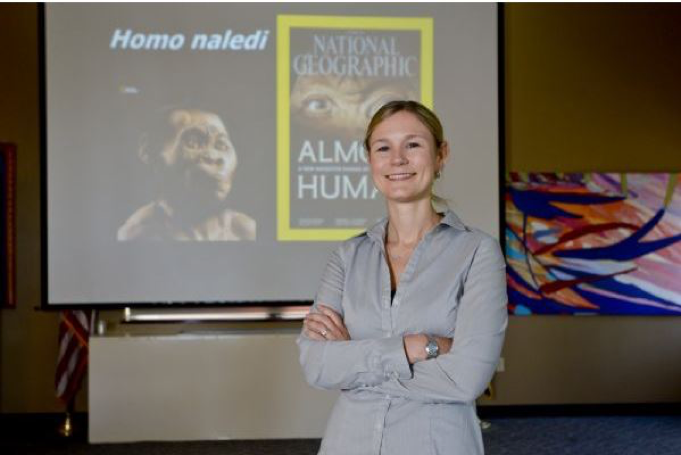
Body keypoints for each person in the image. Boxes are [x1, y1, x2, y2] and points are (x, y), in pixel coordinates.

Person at [297, 100, 507, 455]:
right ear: (370, 160)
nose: (398, 159)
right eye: (383, 147)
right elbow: (316, 365)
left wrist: (354, 363)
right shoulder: (347, 257)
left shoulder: (478, 253)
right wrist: (417, 346)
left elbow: (466, 378)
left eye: (413, 144)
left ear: (441, 155)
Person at [117, 107, 256, 241]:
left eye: (221, 145)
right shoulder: (139, 234)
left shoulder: (244, 230)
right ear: (149, 151)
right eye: (193, 143)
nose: (213, 157)